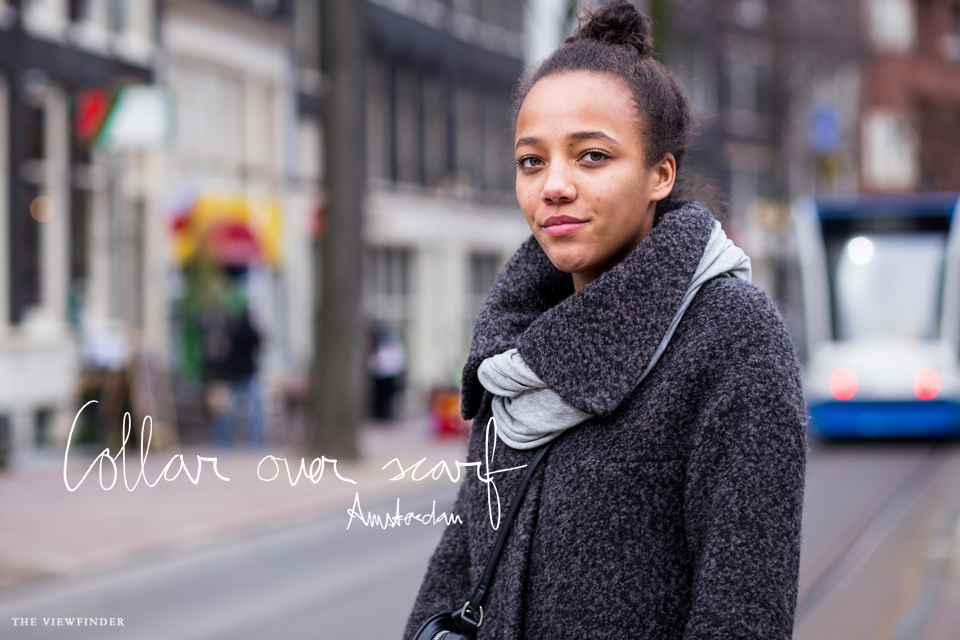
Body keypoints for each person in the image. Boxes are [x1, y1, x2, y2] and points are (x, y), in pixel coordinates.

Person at [403, 3, 807, 639]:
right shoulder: (511, 351)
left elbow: (742, 616)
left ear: (659, 174)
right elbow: (459, 567)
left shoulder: (732, 337)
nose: (553, 186)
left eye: (591, 156)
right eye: (531, 161)